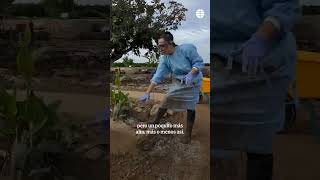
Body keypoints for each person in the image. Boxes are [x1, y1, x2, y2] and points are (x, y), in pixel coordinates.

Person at [211, 1, 301, 180]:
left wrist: (263, 36)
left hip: (261, 65)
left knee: (258, 144)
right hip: (214, 62)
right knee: (212, 134)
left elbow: (285, 5)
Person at [139, 32, 204, 144]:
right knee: (167, 99)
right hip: (179, 83)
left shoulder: (186, 49)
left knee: (191, 107)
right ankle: (155, 122)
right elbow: (158, 75)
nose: (160, 49)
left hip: (193, 83)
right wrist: (147, 92)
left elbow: (198, 63)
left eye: (163, 45)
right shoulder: (165, 59)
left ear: (171, 43)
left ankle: (188, 133)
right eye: (158, 46)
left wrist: (191, 74)